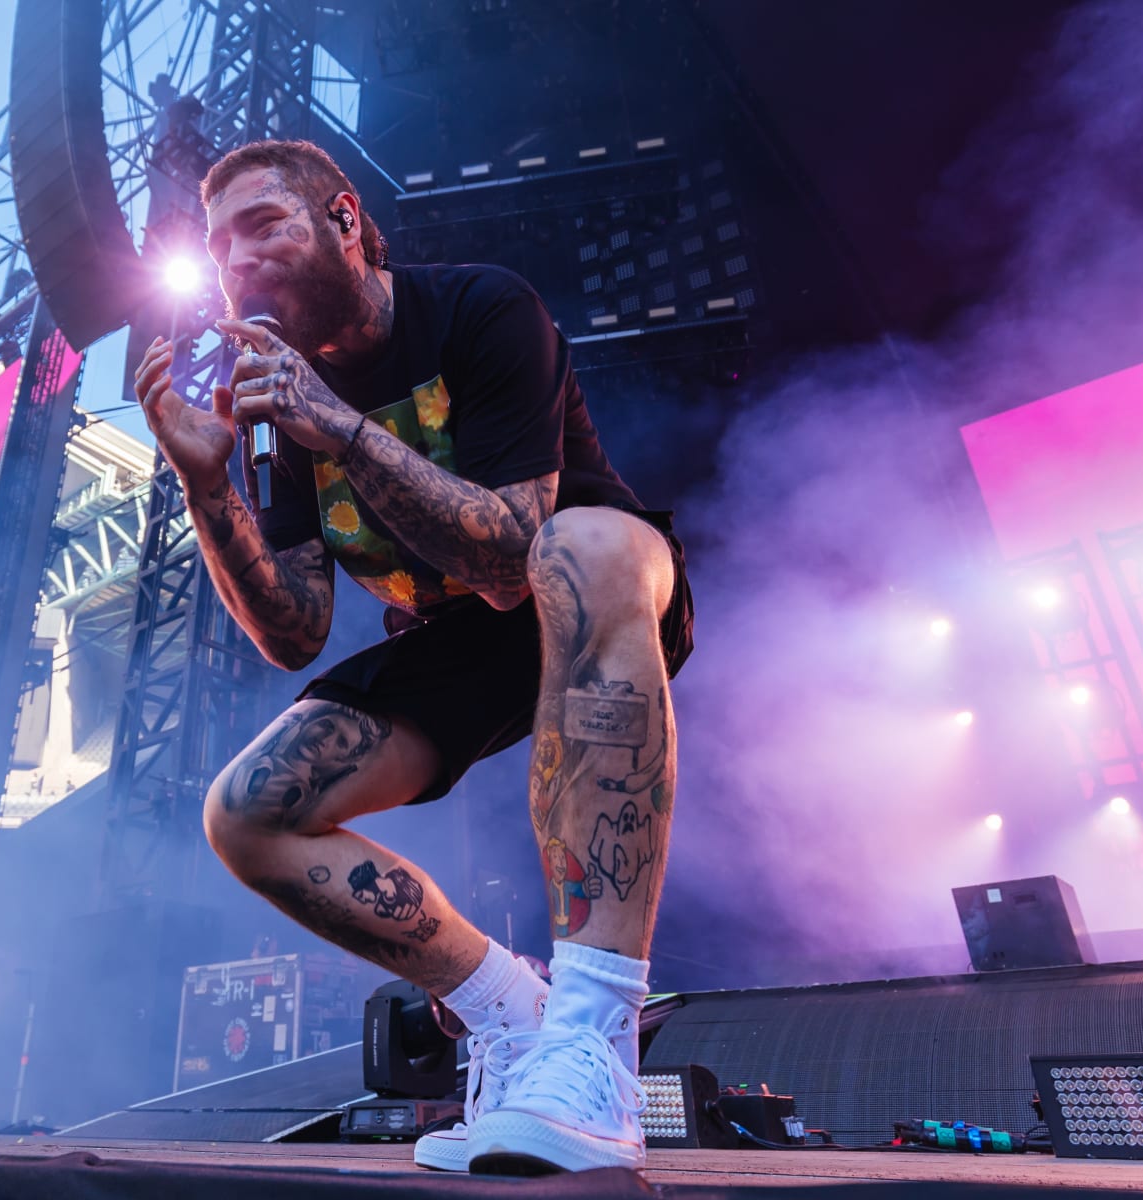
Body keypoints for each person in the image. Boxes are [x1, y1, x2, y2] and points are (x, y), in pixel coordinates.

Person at [133, 138, 693, 1175]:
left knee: (586, 541)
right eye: (218, 249)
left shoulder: (480, 309)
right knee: (245, 814)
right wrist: (212, 491)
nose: (237, 263)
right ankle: (511, 1015)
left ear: (345, 219)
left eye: (265, 224)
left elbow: (509, 560)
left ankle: (596, 1038)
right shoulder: (280, 402)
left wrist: (338, 428)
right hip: (458, 643)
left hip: (589, 589)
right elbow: (293, 629)